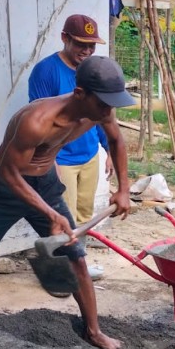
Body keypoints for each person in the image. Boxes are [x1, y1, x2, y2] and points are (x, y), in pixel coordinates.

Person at [0, 56, 134, 349]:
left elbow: (117, 141)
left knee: (76, 259)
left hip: (46, 184)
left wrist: (124, 189)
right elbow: (8, 172)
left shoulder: (100, 110)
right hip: (3, 188)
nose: (108, 111)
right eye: (103, 104)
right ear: (80, 94)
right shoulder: (36, 121)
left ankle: (93, 332)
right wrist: (51, 213)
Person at [28, 14, 113, 280]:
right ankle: (61, 269)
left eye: (92, 46)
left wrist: (108, 149)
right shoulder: (45, 72)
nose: (86, 52)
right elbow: (40, 117)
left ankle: (79, 266)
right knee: (64, 218)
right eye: (80, 45)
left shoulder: (93, 71)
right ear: (65, 38)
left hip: (88, 155)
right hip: (61, 158)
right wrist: (47, 160)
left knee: (85, 215)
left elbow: (99, 112)